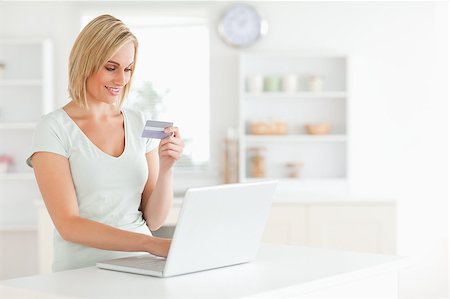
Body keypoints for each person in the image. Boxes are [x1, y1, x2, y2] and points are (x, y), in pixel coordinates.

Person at [26, 14, 184, 271]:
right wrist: (151, 244)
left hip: (140, 268)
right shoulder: (53, 128)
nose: (121, 80)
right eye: (111, 68)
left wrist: (167, 168)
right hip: (83, 272)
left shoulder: (139, 122)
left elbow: (154, 220)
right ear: (85, 63)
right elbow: (69, 225)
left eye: (128, 69)